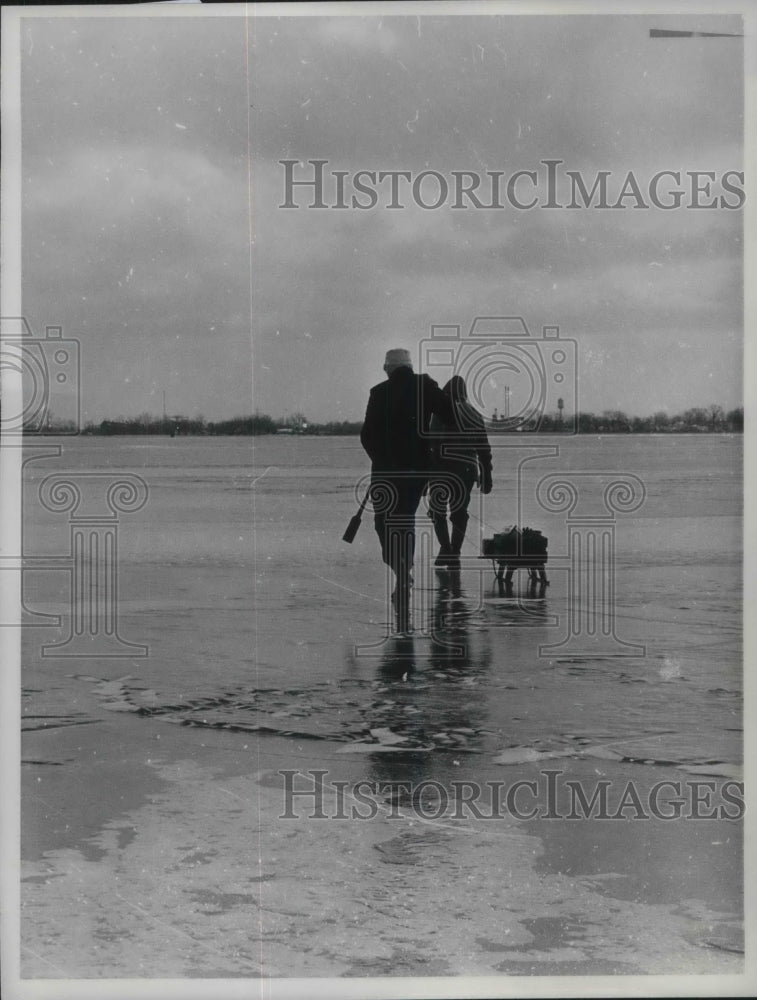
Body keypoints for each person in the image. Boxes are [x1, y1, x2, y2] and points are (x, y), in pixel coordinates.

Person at [360, 348, 451, 629]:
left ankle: (400, 569)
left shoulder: (378, 393)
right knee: (405, 521)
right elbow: (449, 413)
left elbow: (366, 435)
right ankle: (404, 571)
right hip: (416, 470)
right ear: (409, 366)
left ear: (389, 368)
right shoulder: (426, 386)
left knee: (382, 522)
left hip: (386, 472)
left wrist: (381, 457)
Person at [428, 375, 492, 568]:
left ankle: (446, 548)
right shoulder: (474, 413)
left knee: (437, 511)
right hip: (466, 471)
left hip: (441, 469)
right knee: (459, 512)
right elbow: (484, 449)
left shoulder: (439, 413)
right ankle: (454, 552)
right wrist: (486, 475)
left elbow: (432, 444)